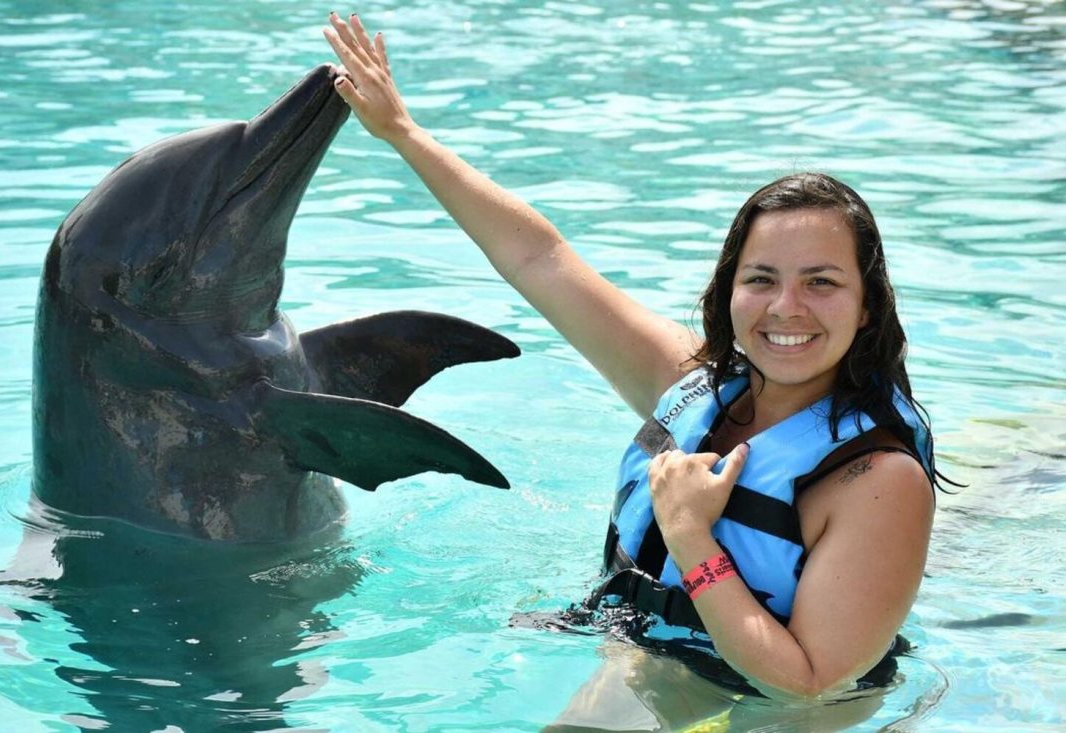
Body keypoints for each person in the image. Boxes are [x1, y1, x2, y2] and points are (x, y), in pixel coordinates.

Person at [322, 12, 941, 704]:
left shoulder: (879, 481)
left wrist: (687, 529)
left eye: (821, 282)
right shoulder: (693, 384)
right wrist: (403, 134)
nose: (786, 308)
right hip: (640, 660)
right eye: (761, 278)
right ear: (729, 290)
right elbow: (542, 259)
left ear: (867, 306)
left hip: (760, 712)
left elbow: (808, 681)